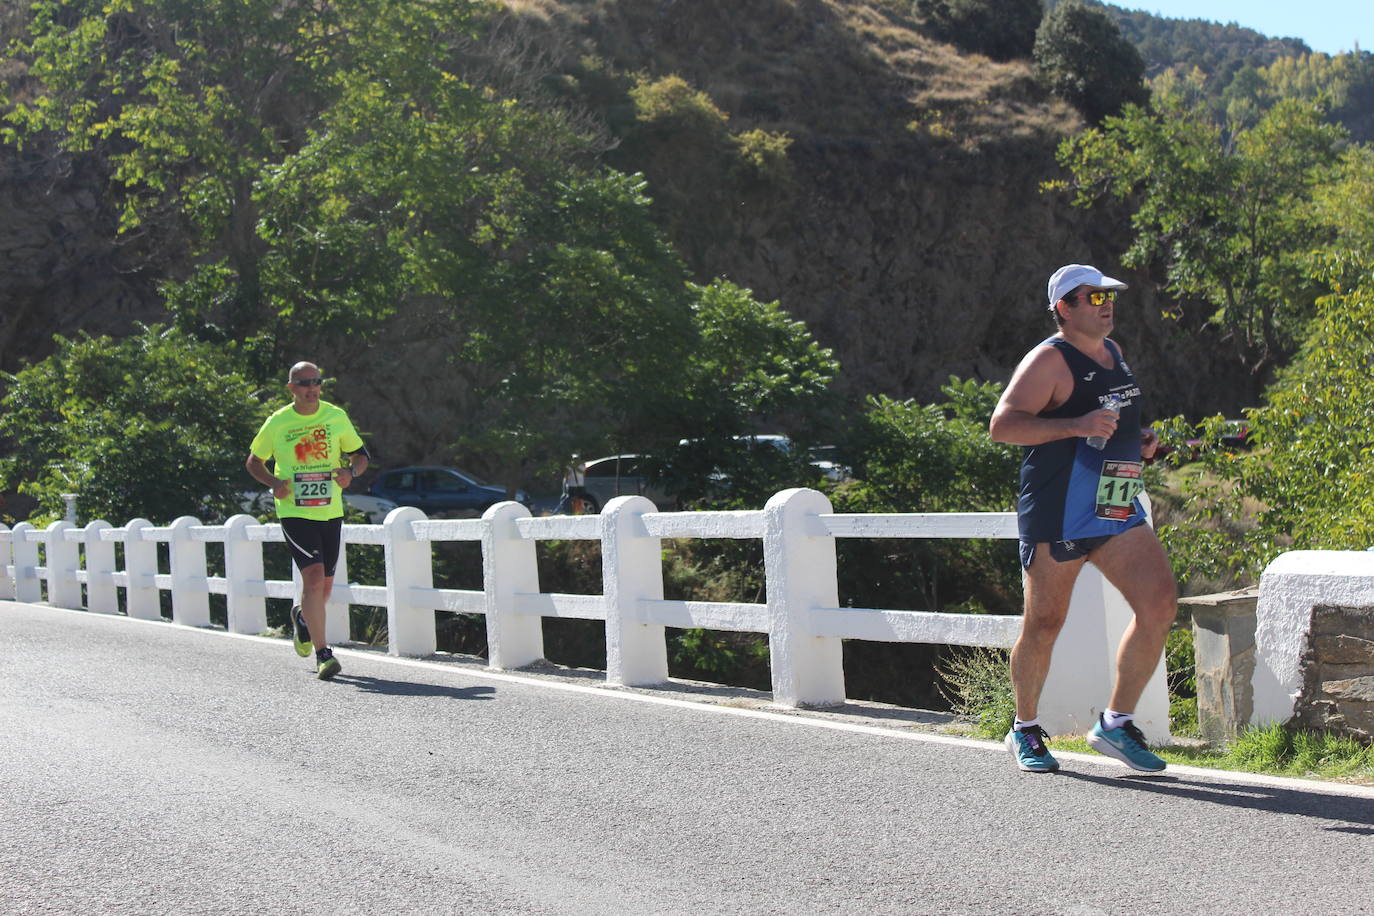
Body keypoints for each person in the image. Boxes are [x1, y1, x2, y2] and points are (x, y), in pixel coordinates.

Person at [989, 264, 1177, 773]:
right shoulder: (1048, 361)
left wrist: (1140, 442)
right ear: (1064, 309)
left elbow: (1110, 422)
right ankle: (1025, 728)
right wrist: (1076, 425)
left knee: (1159, 604)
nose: (1105, 304)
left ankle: (1115, 724)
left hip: (1114, 505)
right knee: (1045, 622)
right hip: (1059, 509)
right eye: (1092, 297)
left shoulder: (1113, 354)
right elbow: (1003, 426)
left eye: (1108, 296)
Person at [246, 362, 368, 680]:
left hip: (330, 510)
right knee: (313, 579)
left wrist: (350, 472)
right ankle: (323, 654)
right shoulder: (278, 422)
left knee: (324, 588)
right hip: (295, 511)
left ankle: (303, 619)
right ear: (291, 388)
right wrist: (275, 484)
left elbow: (360, 455)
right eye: (304, 383)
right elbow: (254, 462)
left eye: (316, 382)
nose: (311, 388)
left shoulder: (335, 416)